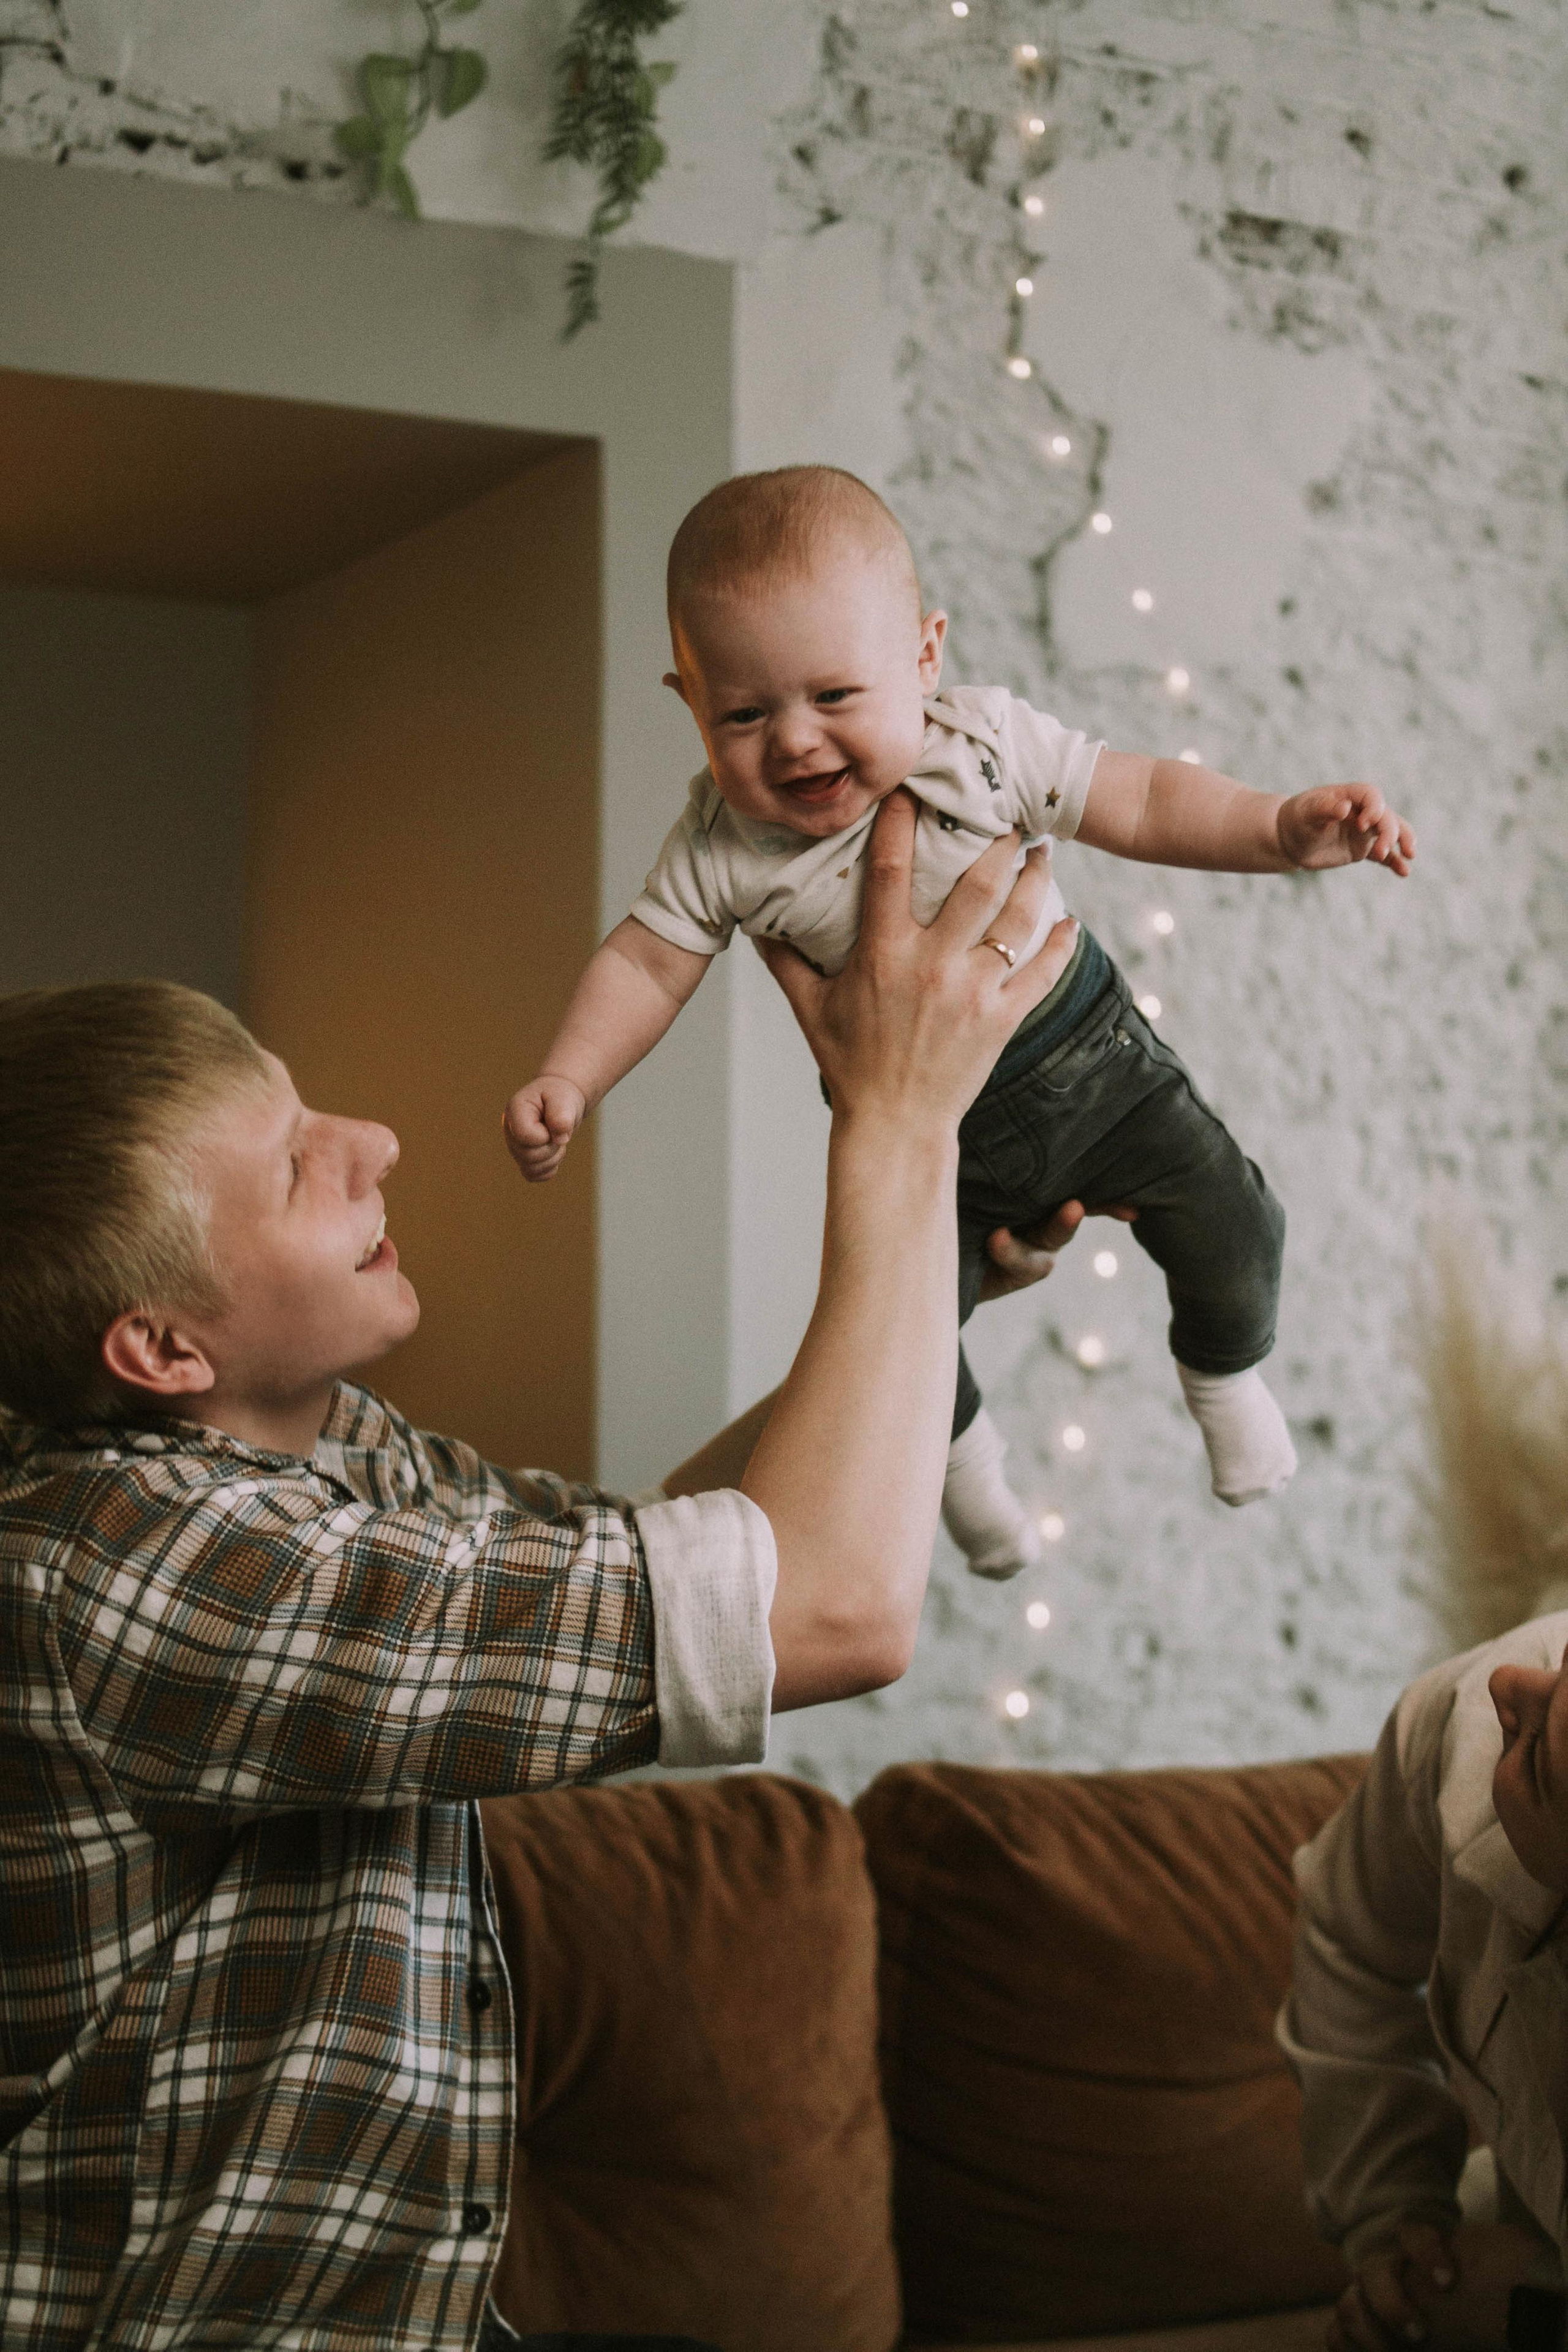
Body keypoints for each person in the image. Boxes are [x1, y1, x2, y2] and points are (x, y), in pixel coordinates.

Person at [0, 797, 1088, 2352]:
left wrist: (936, 1274)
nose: (371, 1141)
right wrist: (897, 1123)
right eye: (297, 1164)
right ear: (164, 1348)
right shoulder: (136, 1566)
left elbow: (654, 1560)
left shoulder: (331, 1457)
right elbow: (825, 1608)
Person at [504, 465, 1416, 1580]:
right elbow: (646, 964)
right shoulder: (718, 847)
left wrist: (1277, 828)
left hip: (1095, 1066)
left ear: (925, 658)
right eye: (743, 715)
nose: (792, 742)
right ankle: (968, 1473)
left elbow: (1140, 797)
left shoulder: (979, 742)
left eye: (834, 697)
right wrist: (573, 1077)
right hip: (927, 1142)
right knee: (902, 1344)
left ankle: (1224, 1378)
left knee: (1238, 1219)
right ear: (688, 703)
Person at [1279, 1613, 1568, 2352]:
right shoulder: (1468, 1718)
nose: (1512, 1689)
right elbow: (1351, 1943)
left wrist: (1531, 2311)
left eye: (1543, 1756)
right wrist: (1391, 2219)